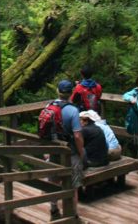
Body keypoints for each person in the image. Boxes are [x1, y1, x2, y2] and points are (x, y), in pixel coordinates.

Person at [49, 80, 85, 220]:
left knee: (53, 181)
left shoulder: (49, 106)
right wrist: (81, 152)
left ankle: (53, 208)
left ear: (58, 91)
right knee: (73, 184)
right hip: (70, 152)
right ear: (71, 93)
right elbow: (77, 134)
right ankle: (72, 214)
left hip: (54, 149)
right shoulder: (73, 110)